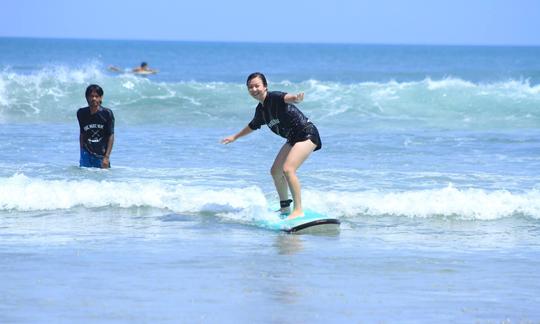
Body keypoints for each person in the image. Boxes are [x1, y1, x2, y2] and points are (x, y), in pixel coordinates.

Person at [221, 72, 322, 219]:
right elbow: (252, 126)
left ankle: (298, 210)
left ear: (265, 86)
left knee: (288, 169)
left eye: (257, 86)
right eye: (250, 87)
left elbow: (287, 97)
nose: (254, 89)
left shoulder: (273, 97)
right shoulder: (261, 111)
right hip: (293, 138)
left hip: (307, 133)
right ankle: (285, 208)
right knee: (275, 171)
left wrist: (296, 98)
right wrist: (234, 137)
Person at [77, 84, 115, 168]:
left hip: (101, 155)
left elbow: (111, 135)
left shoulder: (107, 113)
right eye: (91, 96)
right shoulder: (81, 113)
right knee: (84, 179)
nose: (94, 98)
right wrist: (81, 153)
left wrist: (106, 157)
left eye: (96, 96)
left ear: (101, 98)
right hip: (86, 154)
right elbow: (82, 133)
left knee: (103, 180)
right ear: (87, 97)